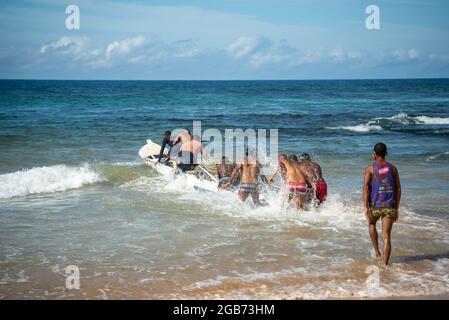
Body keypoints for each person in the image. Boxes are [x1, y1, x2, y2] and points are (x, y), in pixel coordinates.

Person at [363, 143, 401, 267]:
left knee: (371, 224)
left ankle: (377, 253)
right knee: (386, 237)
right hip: (390, 206)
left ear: (374, 154)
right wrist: (396, 207)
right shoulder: (393, 168)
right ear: (386, 153)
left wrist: (365, 206)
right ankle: (385, 265)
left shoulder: (370, 168)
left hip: (375, 205)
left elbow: (366, 188)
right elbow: (399, 189)